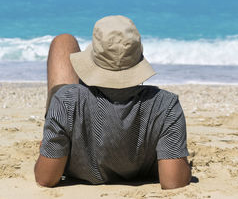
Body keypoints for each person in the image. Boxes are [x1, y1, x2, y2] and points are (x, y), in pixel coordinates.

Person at [34, 15, 191, 189]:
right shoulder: (166, 104)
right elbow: (173, 183)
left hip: (74, 156)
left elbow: (46, 179)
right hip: (141, 165)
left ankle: (57, 136)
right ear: (139, 55)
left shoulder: (66, 100)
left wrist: (48, 148)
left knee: (63, 41)